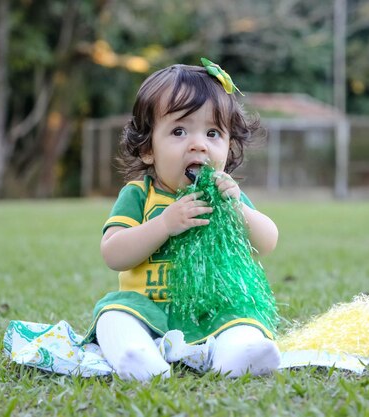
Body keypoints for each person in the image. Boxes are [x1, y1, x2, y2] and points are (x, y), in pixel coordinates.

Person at [83, 60, 280, 381]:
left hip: (211, 310)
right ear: (148, 149)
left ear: (229, 148)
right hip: (147, 310)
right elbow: (113, 254)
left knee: (242, 320)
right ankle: (138, 357)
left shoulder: (225, 196)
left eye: (213, 133)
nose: (199, 143)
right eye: (179, 131)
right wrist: (164, 224)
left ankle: (241, 354)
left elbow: (267, 241)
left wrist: (238, 210)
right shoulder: (138, 195)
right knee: (112, 315)